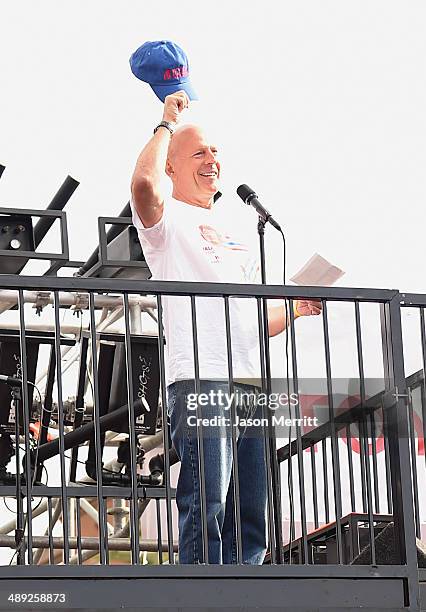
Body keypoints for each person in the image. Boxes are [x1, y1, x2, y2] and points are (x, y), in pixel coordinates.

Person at [131, 91, 321, 564]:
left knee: (251, 510)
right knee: (208, 499)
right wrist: (165, 124)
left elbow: (257, 321)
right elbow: (142, 186)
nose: (212, 159)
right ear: (172, 166)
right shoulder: (168, 221)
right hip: (202, 376)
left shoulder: (238, 231)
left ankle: (247, 589)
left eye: (215, 151)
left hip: (250, 382)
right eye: (198, 152)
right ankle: (203, 591)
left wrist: (296, 309)